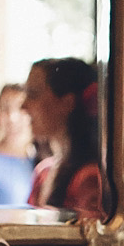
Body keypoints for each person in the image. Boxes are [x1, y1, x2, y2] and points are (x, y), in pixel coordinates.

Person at [24, 57, 104, 220]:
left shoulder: (89, 178)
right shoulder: (43, 172)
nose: (23, 105)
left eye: (33, 94)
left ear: (67, 103)